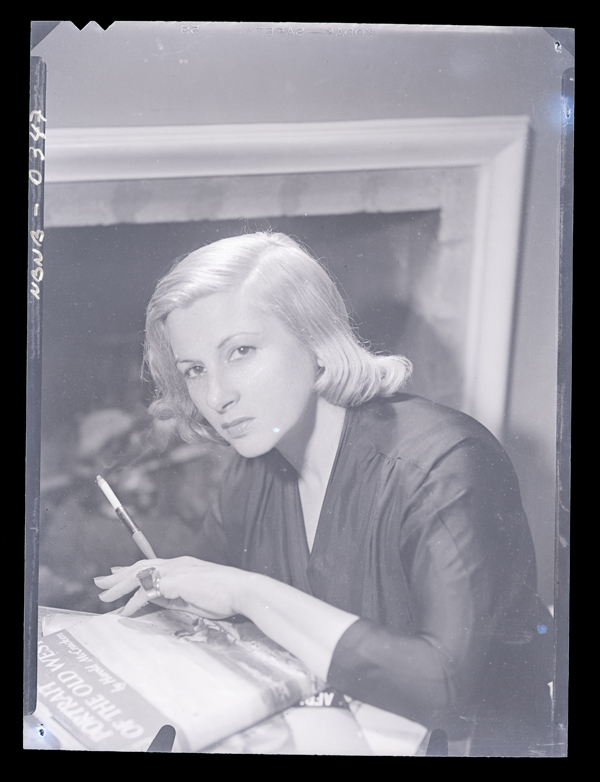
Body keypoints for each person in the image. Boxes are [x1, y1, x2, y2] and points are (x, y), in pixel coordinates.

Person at [95, 232, 553, 754]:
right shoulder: (253, 472)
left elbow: (443, 686)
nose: (217, 396)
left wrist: (248, 593)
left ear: (316, 340)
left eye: (241, 351)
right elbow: (206, 611)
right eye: (195, 370)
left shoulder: (443, 464)